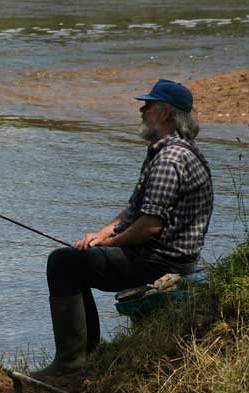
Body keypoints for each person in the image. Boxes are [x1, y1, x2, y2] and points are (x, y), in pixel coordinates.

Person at [33, 79, 214, 377]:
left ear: (165, 113)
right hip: (160, 255)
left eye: (148, 105)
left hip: (161, 262)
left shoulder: (170, 159)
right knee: (74, 258)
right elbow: (134, 210)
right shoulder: (172, 151)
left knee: (63, 262)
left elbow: (149, 227)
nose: (142, 110)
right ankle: (86, 354)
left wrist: (109, 245)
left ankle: (70, 362)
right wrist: (102, 234)